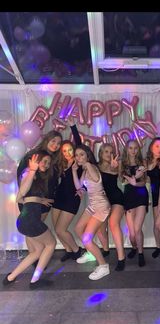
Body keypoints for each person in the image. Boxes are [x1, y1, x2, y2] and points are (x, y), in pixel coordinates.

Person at [3, 151, 56, 289]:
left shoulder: (34, 175)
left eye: (48, 163)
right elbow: (22, 192)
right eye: (44, 161)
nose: (46, 164)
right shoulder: (28, 172)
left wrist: (39, 200)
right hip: (31, 220)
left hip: (25, 220)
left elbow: (21, 198)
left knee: (37, 251)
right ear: (35, 160)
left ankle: (10, 277)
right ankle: (35, 280)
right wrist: (32, 170)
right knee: (51, 244)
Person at [72, 144, 111, 280]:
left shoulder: (90, 166)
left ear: (88, 155)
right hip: (92, 205)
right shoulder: (84, 169)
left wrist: (87, 164)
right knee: (78, 229)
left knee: (86, 239)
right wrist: (73, 171)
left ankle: (103, 266)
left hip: (101, 207)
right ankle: (91, 253)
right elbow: (79, 186)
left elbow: (95, 179)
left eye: (82, 154)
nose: (78, 157)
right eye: (76, 155)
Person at [51, 117, 84, 262]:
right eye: (64, 151)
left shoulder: (78, 162)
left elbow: (79, 143)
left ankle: (77, 250)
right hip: (58, 198)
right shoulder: (60, 163)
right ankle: (69, 250)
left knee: (60, 229)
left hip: (72, 199)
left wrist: (73, 127)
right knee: (56, 228)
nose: (67, 152)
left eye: (70, 149)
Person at [96, 143, 126, 271]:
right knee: (99, 225)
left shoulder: (115, 165)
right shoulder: (96, 166)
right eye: (106, 152)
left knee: (113, 223)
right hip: (102, 200)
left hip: (116, 199)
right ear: (101, 154)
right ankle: (106, 249)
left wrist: (116, 168)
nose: (109, 154)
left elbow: (121, 178)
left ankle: (121, 258)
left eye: (111, 151)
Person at [120, 139, 149, 267]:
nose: (133, 151)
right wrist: (134, 178)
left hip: (141, 195)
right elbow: (122, 181)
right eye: (130, 148)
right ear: (126, 149)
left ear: (138, 149)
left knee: (137, 229)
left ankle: (141, 253)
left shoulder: (142, 162)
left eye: (135, 148)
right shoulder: (123, 163)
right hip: (128, 197)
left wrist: (136, 182)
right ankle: (134, 248)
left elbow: (144, 181)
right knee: (131, 234)